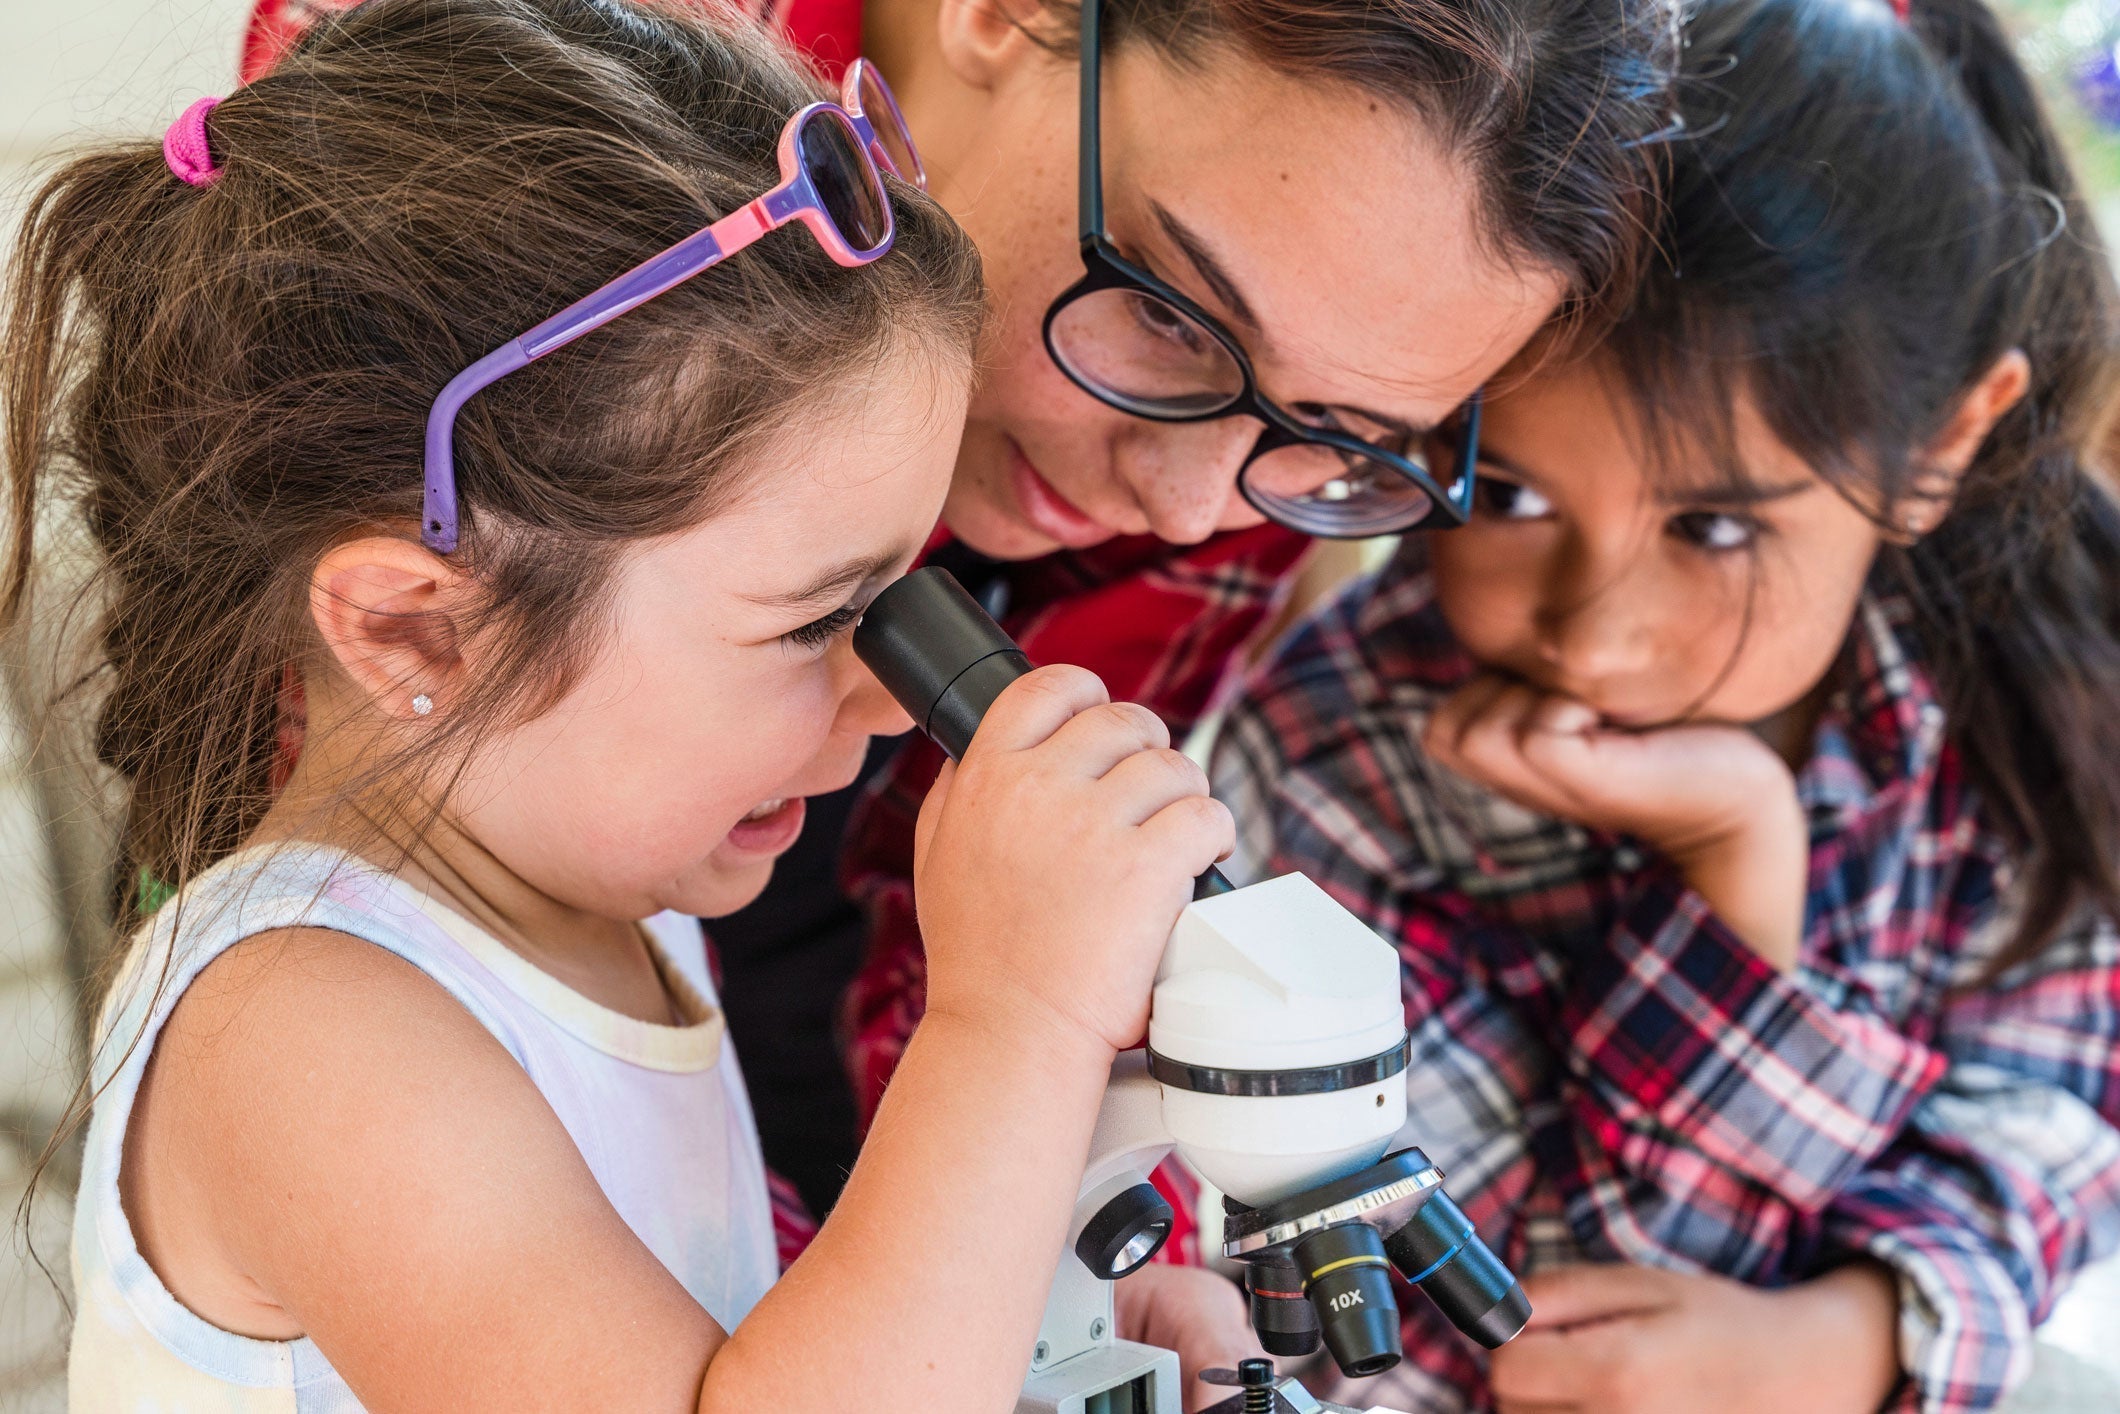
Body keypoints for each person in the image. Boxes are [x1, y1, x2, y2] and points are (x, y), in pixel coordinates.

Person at [239, 0, 1679, 1238]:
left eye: (1341, 439)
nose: (1186, 505)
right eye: (1175, 318)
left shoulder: (1222, 467)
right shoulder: (531, 107)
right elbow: (401, 803)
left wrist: (1074, 1245)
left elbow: (975, 929)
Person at [6, 2, 1242, 1407]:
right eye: (821, 618)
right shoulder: (304, 1031)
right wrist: (1012, 1018)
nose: (888, 702)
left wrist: (1036, 1314)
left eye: (898, 601)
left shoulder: (611, 894)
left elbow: (726, 1362)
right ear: (416, 626)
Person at [1211, 0, 2120, 1408]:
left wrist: (1859, 1336)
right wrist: (1737, 884)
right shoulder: (1337, 754)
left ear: (1944, 443)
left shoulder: (2019, 700)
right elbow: (1522, 1342)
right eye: (1505, 494)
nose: (1597, 631)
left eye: (1713, 526)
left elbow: (2059, 1134)